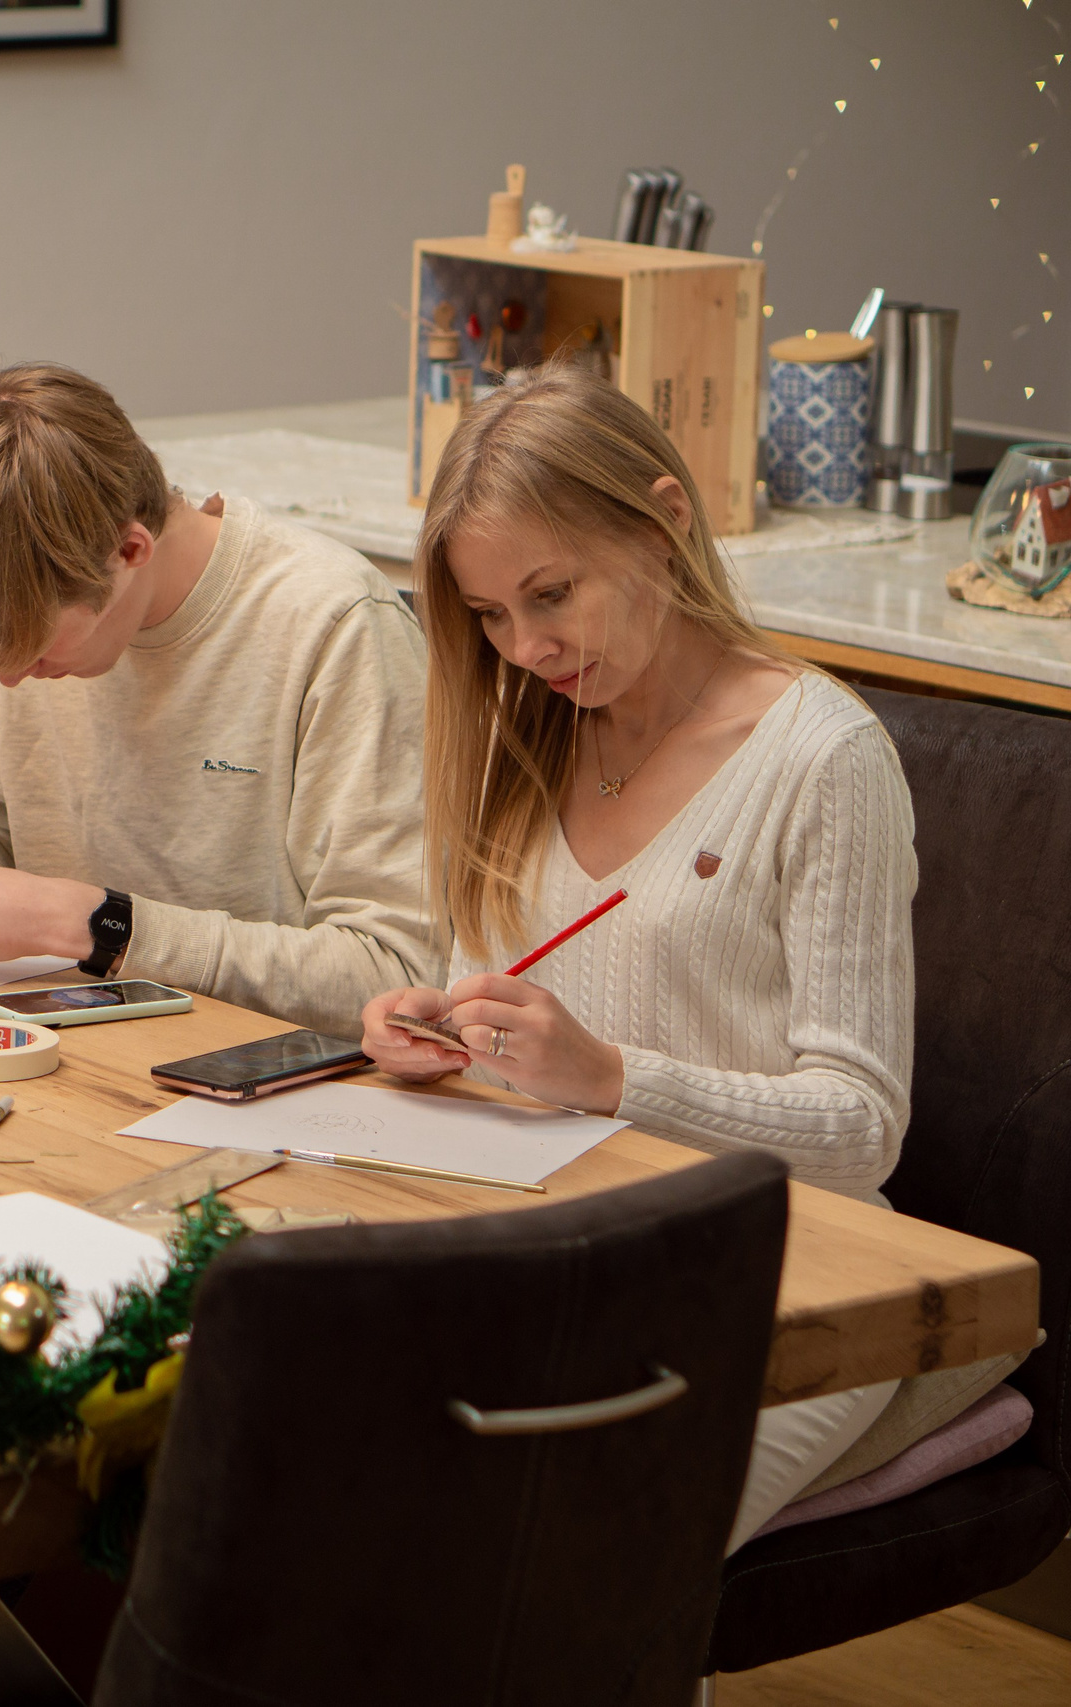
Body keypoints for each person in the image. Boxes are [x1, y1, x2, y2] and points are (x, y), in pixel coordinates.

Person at [351, 365, 919, 1549]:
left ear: (663, 519)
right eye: (491, 617)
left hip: (788, 1268)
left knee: (547, 1548)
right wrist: (443, 1032)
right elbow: (504, 1011)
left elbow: (861, 1127)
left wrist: (615, 1079)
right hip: (558, 1241)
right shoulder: (525, 732)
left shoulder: (824, 760)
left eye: (550, 594)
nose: (523, 647)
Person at [0, 363, 437, 1039]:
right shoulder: (28, 605)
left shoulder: (334, 624)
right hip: (81, 1064)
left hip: (278, 1089)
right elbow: (11, 843)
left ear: (128, 550)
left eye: (32, 652)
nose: (9, 682)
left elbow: (394, 969)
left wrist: (97, 924)